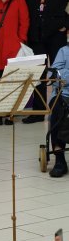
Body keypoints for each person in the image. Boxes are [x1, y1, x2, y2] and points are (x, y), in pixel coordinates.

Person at [22, 0, 69, 124]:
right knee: (38, 74)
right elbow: (25, 8)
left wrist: (65, 24)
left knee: (58, 73)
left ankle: (61, 109)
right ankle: (38, 111)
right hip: (36, 34)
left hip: (56, 33)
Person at [48, 44, 69, 177]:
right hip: (63, 94)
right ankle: (59, 159)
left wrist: (65, 74)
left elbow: (62, 74)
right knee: (58, 110)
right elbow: (53, 74)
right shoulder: (64, 51)